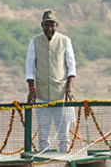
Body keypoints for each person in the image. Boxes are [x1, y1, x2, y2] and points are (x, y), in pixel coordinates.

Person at [25, 10, 76, 153]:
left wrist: (69, 89)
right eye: (46, 25)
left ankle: (64, 163)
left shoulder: (65, 40)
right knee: (43, 136)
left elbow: (71, 66)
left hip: (61, 95)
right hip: (41, 96)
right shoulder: (35, 41)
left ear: (57, 25)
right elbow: (29, 65)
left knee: (64, 136)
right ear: (41, 25)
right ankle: (44, 164)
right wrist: (31, 90)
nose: (49, 29)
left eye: (52, 25)